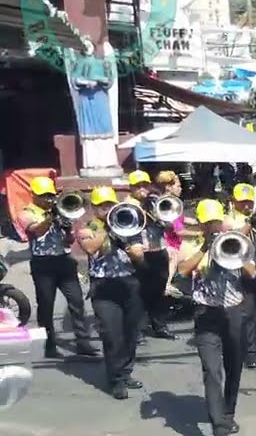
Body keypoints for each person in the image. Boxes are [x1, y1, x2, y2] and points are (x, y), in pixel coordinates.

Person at [177, 200, 255, 436]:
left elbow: (252, 273)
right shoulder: (191, 244)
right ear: (200, 223)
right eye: (208, 222)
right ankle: (219, 431)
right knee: (212, 370)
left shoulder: (235, 240)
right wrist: (204, 249)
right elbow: (182, 271)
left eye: (216, 221)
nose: (213, 226)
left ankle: (228, 412)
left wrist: (237, 255)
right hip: (206, 314)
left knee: (234, 365)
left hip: (234, 312)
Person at [75, 187, 145, 400]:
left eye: (109, 205)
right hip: (104, 287)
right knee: (112, 334)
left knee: (131, 333)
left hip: (129, 284)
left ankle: (126, 372)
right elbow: (91, 248)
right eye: (102, 206)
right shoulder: (87, 229)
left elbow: (140, 257)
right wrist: (109, 227)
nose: (106, 209)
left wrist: (135, 253)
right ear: (94, 208)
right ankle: (115, 380)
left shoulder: (130, 224)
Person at [19, 177, 98, 359]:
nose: (48, 199)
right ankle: (48, 345)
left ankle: (83, 343)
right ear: (34, 196)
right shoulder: (26, 212)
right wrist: (52, 217)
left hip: (64, 261)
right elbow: (36, 230)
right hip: (43, 264)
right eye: (44, 196)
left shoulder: (61, 211)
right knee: (46, 305)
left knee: (77, 302)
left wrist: (67, 228)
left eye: (50, 195)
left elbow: (69, 241)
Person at [124, 170, 177, 340]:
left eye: (144, 185)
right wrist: (145, 212)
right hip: (140, 251)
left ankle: (159, 325)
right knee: (138, 292)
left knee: (159, 289)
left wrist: (164, 219)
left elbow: (169, 226)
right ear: (131, 188)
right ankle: (138, 327)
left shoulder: (156, 201)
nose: (142, 189)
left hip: (158, 249)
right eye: (138, 186)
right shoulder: (128, 204)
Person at [227, 184, 256, 369]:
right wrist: (250, 223)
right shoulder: (229, 219)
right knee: (249, 311)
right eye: (242, 201)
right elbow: (234, 239)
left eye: (248, 201)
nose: (246, 205)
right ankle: (249, 351)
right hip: (244, 268)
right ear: (234, 201)